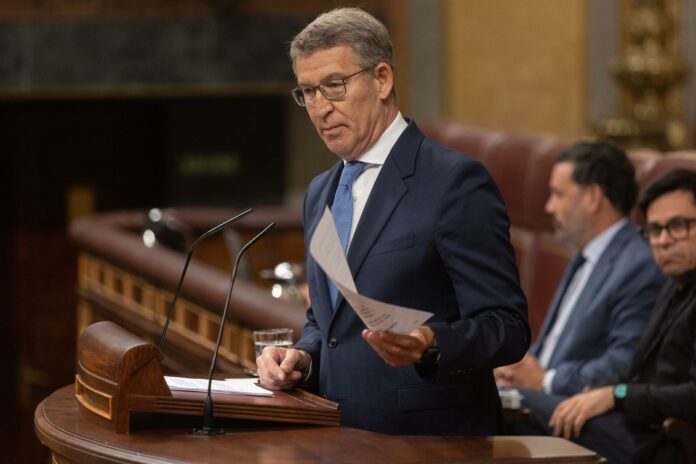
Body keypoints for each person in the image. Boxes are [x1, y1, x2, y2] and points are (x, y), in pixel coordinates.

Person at [256, 7, 530, 435]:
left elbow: (507, 327)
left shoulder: (454, 182)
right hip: (334, 437)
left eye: (334, 86)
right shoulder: (320, 193)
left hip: (429, 441)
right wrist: (302, 358)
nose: (320, 108)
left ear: (382, 79)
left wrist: (430, 342)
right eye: (308, 92)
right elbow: (327, 321)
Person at [495, 142, 664, 425]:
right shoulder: (586, 254)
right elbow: (550, 349)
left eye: (558, 194)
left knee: (478, 404)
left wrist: (546, 380)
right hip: (543, 398)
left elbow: (625, 363)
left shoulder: (639, 264)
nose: (549, 207)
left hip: (581, 412)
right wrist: (515, 371)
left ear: (593, 197)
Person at [541, 169, 696, 464]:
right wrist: (595, 394)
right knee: (511, 403)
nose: (663, 240)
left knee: (513, 407)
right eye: (655, 230)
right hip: (635, 425)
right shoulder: (674, 284)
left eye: (678, 226)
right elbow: (636, 368)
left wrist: (617, 395)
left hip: (661, 440)